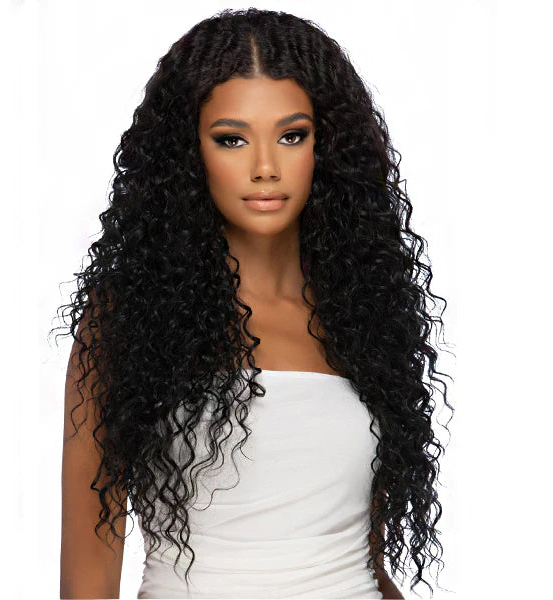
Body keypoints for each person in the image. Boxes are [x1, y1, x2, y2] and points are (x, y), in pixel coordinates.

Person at [54, 7, 453, 599]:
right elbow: (87, 577)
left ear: (326, 146)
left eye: (292, 136)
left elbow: (359, 560)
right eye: (231, 139)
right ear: (189, 152)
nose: (265, 168)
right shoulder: (129, 317)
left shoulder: (361, 313)